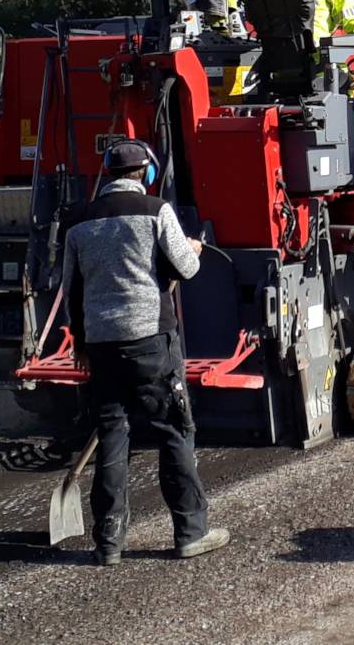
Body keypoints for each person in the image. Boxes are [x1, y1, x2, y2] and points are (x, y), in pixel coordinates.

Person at [60, 140, 230, 564]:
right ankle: (191, 532)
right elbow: (186, 270)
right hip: (151, 342)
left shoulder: (79, 221)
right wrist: (191, 250)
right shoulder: (157, 211)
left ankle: (108, 543)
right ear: (147, 174)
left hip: (100, 345)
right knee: (174, 430)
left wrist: (81, 344)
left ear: (107, 174)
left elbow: (71, 290)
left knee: (113, 435)